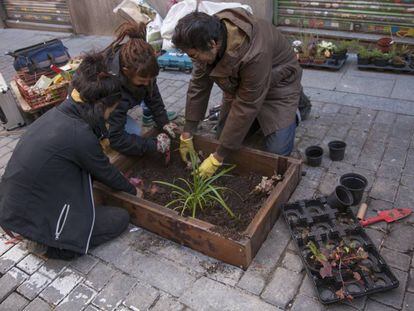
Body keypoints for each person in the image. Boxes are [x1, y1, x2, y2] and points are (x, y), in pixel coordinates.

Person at [0, 53, 169, 260]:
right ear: (101, 106)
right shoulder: (79, 134)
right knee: (119, 219)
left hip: (16, 204)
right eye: (112, 111)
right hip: (31, 218)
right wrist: (134, 191)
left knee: (91, 201)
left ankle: (40, 233)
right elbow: (104, 172)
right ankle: (49, 246)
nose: (110, 117)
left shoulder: (59, 114)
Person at [172, 9, 303, 177]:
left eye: (194, 55)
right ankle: (256, 120)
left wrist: (217, 158)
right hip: (242, 86)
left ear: (212, 44)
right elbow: (199, 85)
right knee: (222, 138)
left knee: (277, 153)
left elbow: (246, 105)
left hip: (278, 85)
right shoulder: (205, 36)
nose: (193, 60)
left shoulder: (254, 52)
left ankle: (296, 108)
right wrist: (187, 132)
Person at [104, 22, 178, 156]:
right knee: (133, 134)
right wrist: (153, 146)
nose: (147, 83)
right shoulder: (111, 86)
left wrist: (164, 123)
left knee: (133, 133)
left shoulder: (145, 68)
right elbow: (117, 139)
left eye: (150, 80)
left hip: (117, 104)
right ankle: (100, 130)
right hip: (92, 112)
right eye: (142, 81)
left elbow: (153, 97)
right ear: (126, 72)